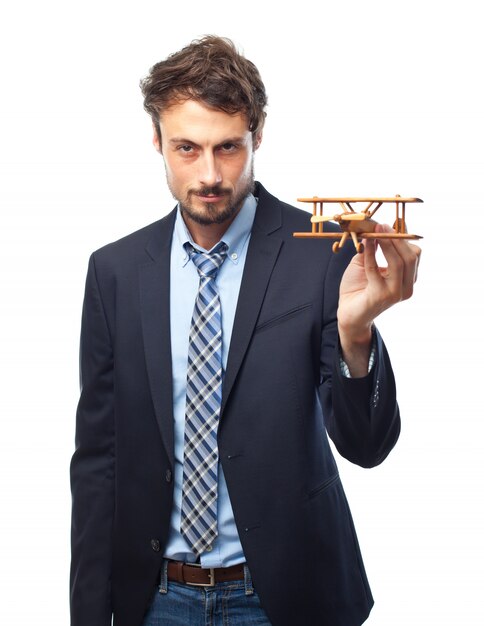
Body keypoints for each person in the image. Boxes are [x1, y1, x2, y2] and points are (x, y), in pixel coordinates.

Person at [70, 36, 421, 626]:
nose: (209, 174)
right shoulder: (116, 272)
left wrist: (356, 335)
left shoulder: (323, 254)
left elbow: (366, 446)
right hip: (156, 597)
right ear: (156, 140)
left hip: (288, 594)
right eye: (187, 148)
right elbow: (98, 461)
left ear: (258, 134)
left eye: (229, 148)